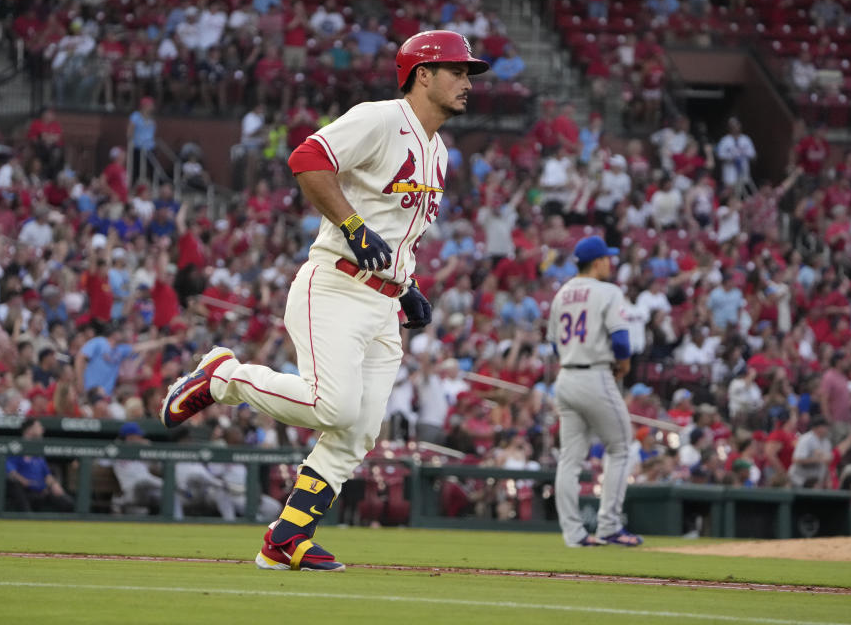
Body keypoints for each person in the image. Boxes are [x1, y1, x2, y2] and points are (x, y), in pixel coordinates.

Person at [160, 30, 488, 571]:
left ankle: (286, 538)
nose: (467, 81)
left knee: (358, 430)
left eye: (469, 72)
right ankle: (222, 377)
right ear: (422, 75)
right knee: (331, 406)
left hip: (383, 303)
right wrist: (352, 226)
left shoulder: (439, 150)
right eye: (457, 70)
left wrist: (407, 289)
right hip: (334, 284)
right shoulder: (382, 118)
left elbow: (395, 233)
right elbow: (308, 158)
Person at [547, 236, 642, 547]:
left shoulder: (562, 293)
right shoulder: (608, 291)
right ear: (598, 261)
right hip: (595, 375)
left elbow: (553, 344)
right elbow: (620, 341)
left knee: (570, 461)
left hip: (566, 378)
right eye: (607, 258)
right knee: (621, 447)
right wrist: (624, 365)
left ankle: (574, 535)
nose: (610, 263)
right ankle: (610, 526)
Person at [6, 419, 75, 512]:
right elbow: (11, 472)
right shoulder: (16, 447)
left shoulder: (37, 451)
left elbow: (47, 474)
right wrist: (28, 483)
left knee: (67, 503)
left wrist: (54, 484)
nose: (42, 429)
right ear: (29, 430)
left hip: (41, 491)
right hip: (24, 491)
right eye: (38, 427)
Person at [788, 416, 833, 488]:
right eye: (825, 426)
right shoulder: (806, 439)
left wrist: (828, 480)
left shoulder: (826, 442)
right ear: (817, 428)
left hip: (815, 483)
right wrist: (817, 459)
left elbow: (827, 464)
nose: (827, 429)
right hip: (799, 481)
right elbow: (796, 460)